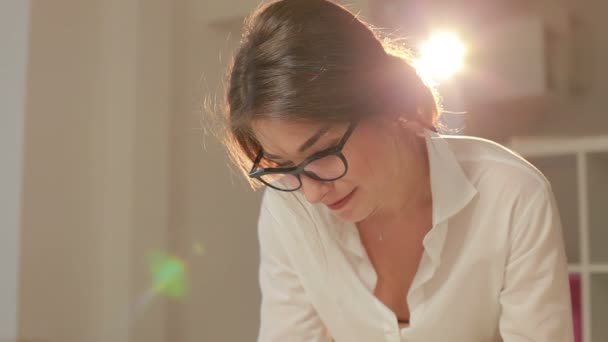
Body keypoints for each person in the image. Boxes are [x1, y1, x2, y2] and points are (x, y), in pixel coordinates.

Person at [220, 0, 574, 341]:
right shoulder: (290, 209)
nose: (311, 192)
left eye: (323, 152)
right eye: (283, 165)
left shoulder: (511, 196)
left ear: (387, 101)